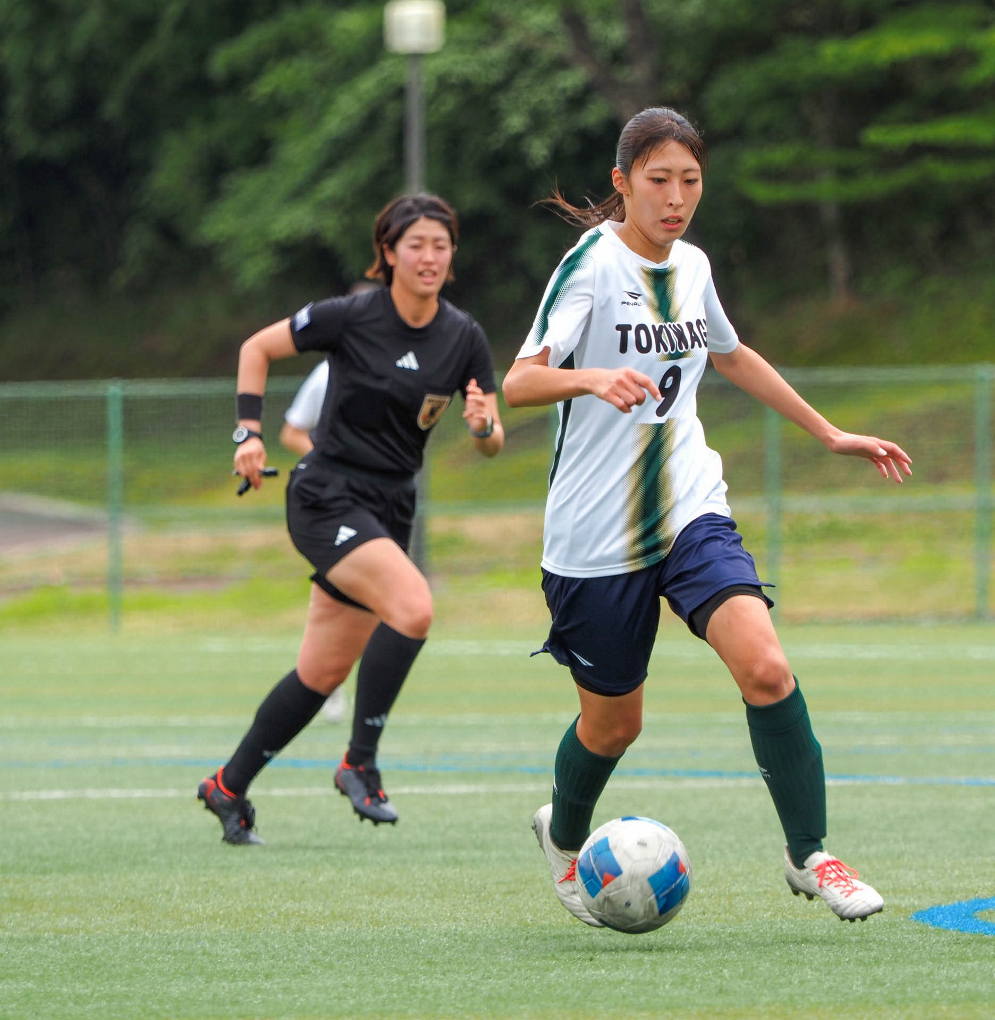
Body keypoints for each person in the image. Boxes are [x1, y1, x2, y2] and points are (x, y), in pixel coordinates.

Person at [502, 108, 911, 922]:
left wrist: (828, 432)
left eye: (690, 181)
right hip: (595, 536)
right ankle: (566, 833)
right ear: (622, 184)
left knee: (766, 667)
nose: (677, 198)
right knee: (614, 726)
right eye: (659, 180)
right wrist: (589, 379)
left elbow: (728, 352)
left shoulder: (692, 265)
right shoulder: (590, 265)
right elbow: (519, 382)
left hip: (691, 508)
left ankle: (812, 856)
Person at [197, 193, 504, 845]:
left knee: (320, 674)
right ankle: (359, 762)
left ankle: (228, 786)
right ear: (388, 253)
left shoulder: (464, 337)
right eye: (416, 244)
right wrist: (245, 435)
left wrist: (483, 427)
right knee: (414, 607)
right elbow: (257, 348)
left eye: (441, 246)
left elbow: (490, 441)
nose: (429, 256)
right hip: (326, 495)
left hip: (392, 508)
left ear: (452, 258)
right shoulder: (351, 315)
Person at [277, 359, 345, 724]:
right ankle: (326, 681)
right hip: (339, 502)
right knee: (337, 595)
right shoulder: (329, 371)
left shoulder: (419, 359)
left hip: (389, 497)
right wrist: (332, 466)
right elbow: (292, 431)